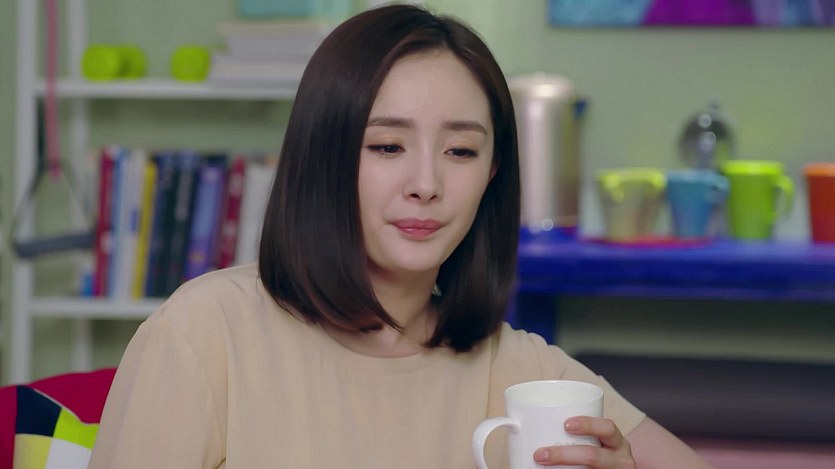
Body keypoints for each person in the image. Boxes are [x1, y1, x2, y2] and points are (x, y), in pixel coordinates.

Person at [89, 4, 714, 468]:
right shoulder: (205, 332)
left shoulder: (520, 370)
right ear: (325, 157)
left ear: (493, 173)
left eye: (461, 151)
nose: (427, 184)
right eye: (387, 146)